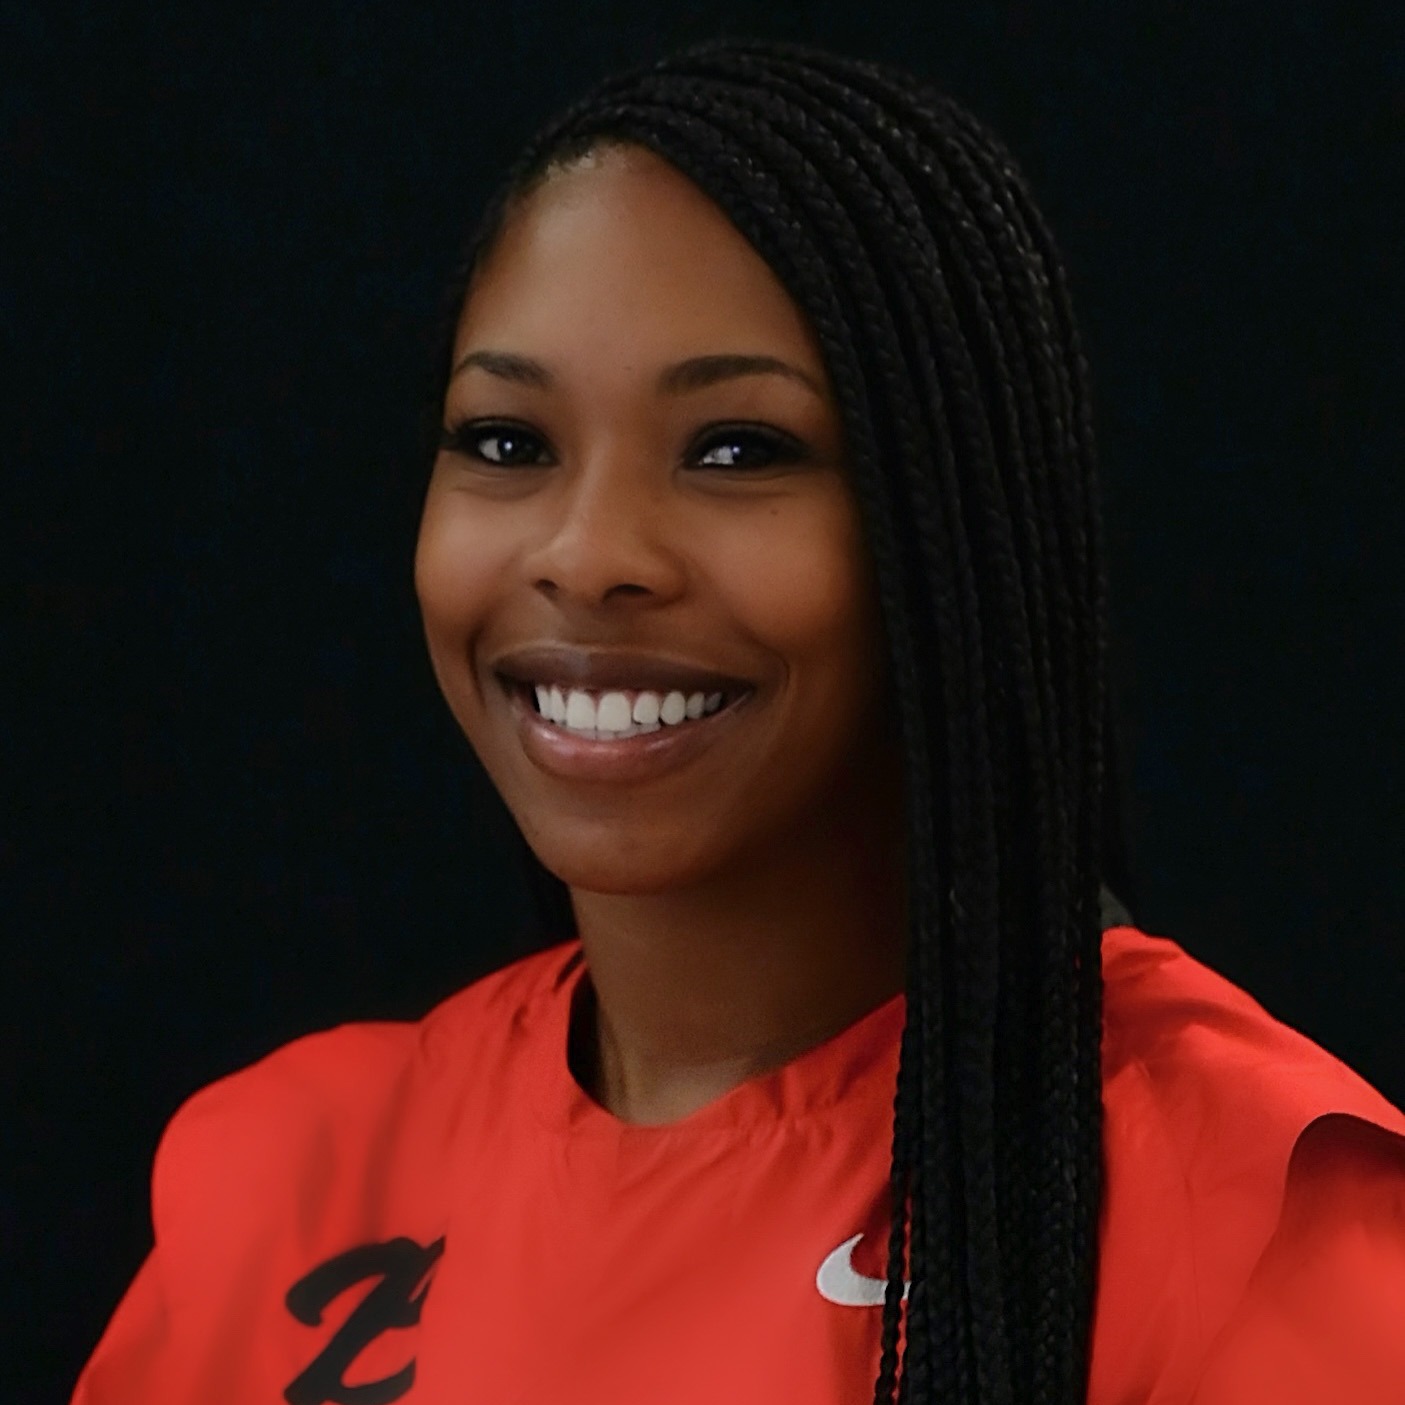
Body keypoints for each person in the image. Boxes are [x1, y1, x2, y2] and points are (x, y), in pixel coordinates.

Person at [73, 37, 1405, 1405]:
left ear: (950, 529)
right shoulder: (289, 1182)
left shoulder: (1250, 1218)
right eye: (507, 442)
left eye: (737, 450)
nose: (589, 554)